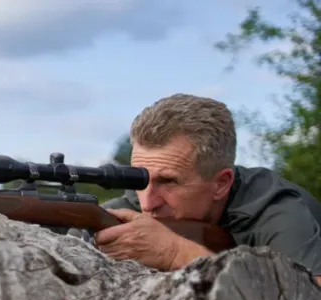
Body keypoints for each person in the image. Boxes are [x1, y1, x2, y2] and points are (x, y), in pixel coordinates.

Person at [73, 93, 321, 286]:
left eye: (169, 181)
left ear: (221, 183)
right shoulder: (125, 210)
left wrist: (176, 253)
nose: (148, 203)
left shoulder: (274, 209)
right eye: (140, 178)